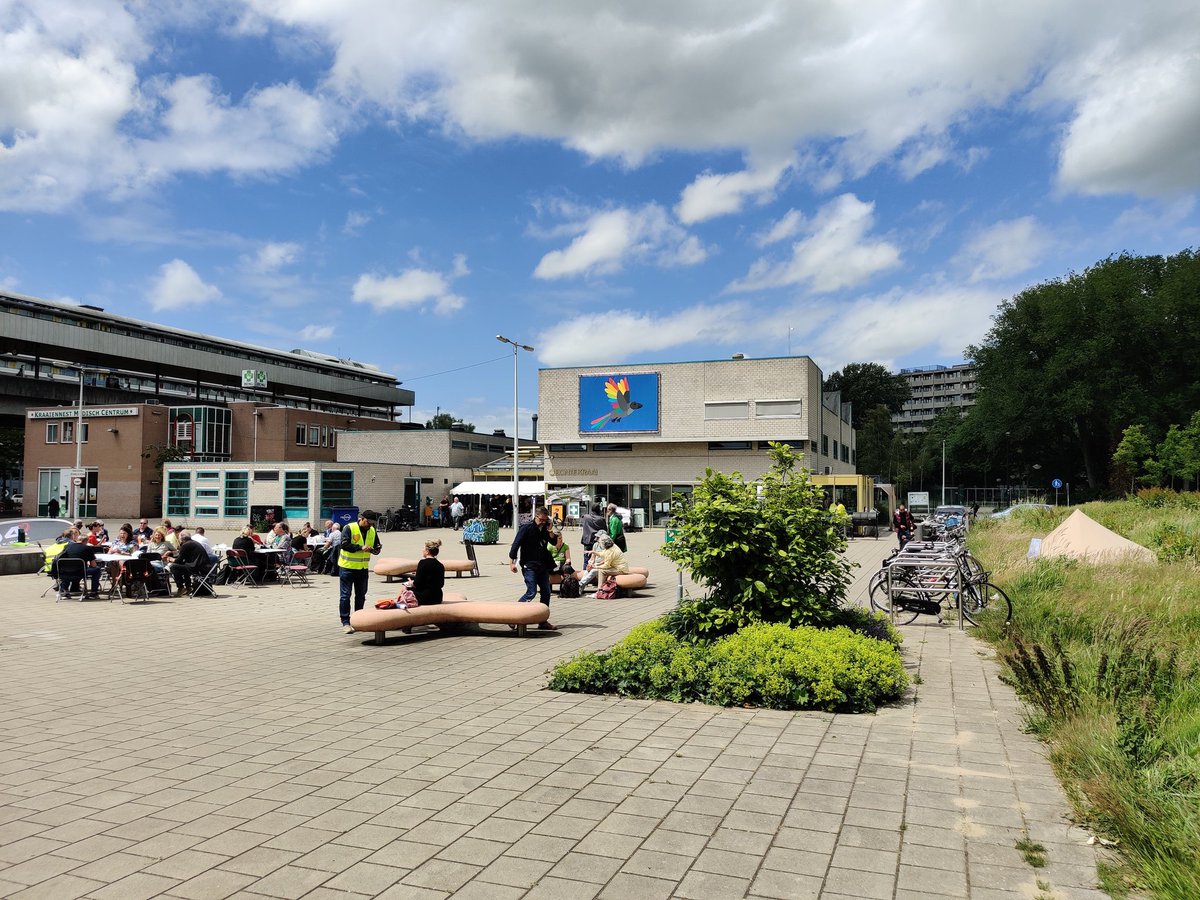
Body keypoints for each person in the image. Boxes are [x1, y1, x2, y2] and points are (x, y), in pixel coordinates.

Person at [508, 505, 556, 630]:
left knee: (546, 592)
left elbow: (555, 543)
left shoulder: (544, 530)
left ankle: (542, 621)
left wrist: (550, 530)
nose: (543, 522)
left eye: (545, 520)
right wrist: (512, 562)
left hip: (542, 565)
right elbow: (516, 544)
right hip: (529, 565)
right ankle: (513, 616)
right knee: (531, 592)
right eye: (541, 520)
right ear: (536, 517)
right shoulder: (526, 528)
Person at [339, 510, 382, 634]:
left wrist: (376, 550)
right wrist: (360, 548)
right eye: (368, 522)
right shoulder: (349, 528)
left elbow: (376, 545)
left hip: (363, 568)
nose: (370, 525)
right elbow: (344, 545)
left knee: (361, 595)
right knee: (345, 596)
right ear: (362, 519)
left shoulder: (372, 530)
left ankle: (358, 620)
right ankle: (345, 622)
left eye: (372, 523)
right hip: (348, 567)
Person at [58, 528, 102, 598]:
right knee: (97, 570)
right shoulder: (87, 548)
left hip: (65, 571)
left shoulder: (67, 547)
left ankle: (64, 589)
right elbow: (93, 565)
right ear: (86, 541)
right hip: (80, 572)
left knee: (70, 568)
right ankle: (94, 592)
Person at [403, 539, 445, 605]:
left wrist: (411, 583)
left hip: (424, 597)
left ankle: (398, 604)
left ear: (427, 551)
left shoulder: (423, 563)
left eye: (423, 548)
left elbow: (417, 583)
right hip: (437, 598)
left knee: (405, 587)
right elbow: (441, 584)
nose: (422, 550)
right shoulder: (440, 565)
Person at [170, 530, 211, 596]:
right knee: (184, 566)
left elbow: (179, 560)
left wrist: (171, 559)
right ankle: (188, 587)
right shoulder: (193, 543)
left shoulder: (185, 545)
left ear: (181, 538)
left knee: (173, 567)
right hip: (203, 566)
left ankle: (181, 587)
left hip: (197, 568)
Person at [580, 503, 606, 572]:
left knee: (586, 560)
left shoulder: (585, 517)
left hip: (587, 541)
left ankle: (584, 575)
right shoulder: (601, 519)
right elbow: (604, 530)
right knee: (597, 559)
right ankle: (595, 577)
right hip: (597, 542)